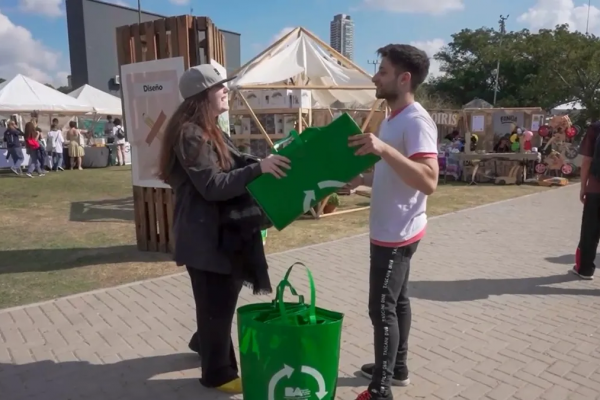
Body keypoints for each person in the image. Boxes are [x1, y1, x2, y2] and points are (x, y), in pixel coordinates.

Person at [156, 64, 290, 394]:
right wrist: (259, 168)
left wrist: (268, 160)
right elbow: (213, 185)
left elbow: (236, 160)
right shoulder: (190, 133)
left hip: (217, 233)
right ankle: (217, 373)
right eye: (220, 87)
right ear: (202, 96)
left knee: (214, 302)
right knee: (218, 303)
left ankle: (204, 340)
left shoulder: (208, 127)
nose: (226, 91)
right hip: (205, 238)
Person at [346, 44, 438, 400]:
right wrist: (362, 181)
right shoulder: (391, 119)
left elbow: (428, 180)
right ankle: (396, 367)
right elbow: (396, 173)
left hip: (397, 233)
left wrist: (383, 150)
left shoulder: (416, 121)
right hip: (392, 227)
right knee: (397, 302)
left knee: (381, 308)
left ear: (404, 78)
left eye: (382, 71)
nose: (375, 76)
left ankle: (381, 389)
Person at [574, 121, 600, 280]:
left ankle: (584, 269)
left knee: (590, 231)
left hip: (595, 190)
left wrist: (583, 187)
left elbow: (586, 162)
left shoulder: (596, 128)